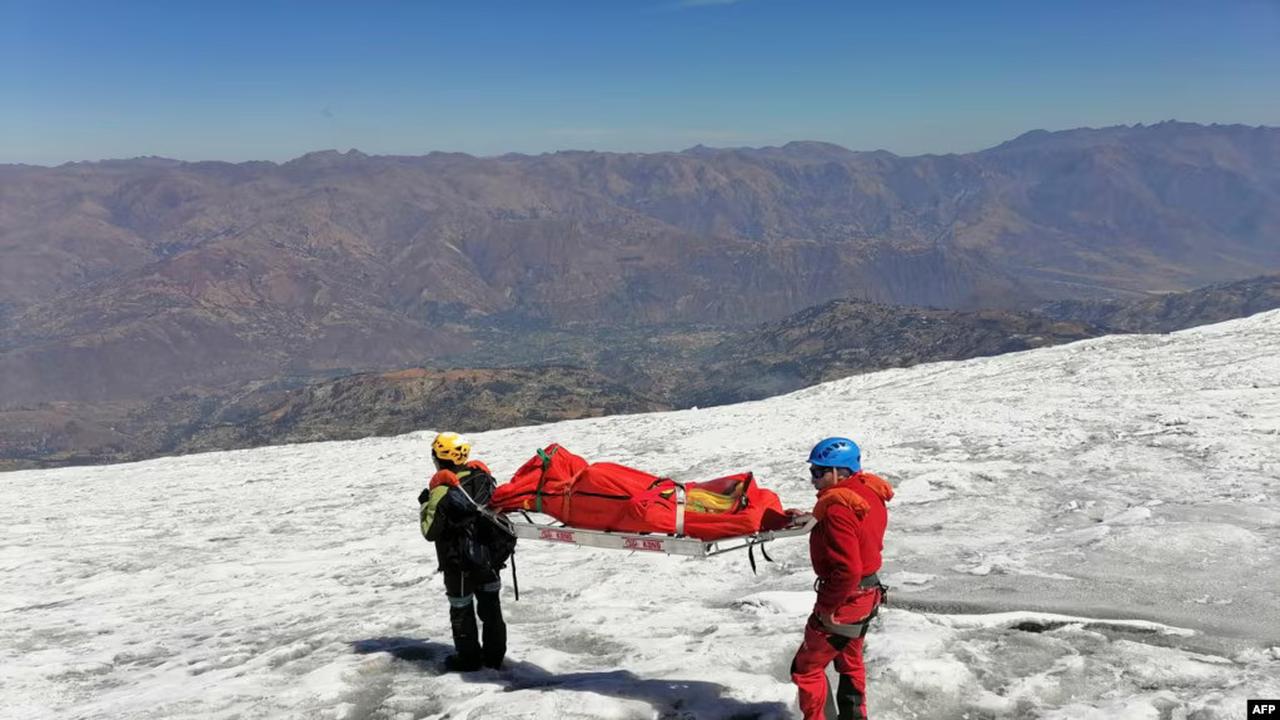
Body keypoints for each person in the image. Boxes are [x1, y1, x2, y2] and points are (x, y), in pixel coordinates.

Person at [790, 437, 895, 720]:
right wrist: (814, 518)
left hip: (846, 601)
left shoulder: (838, 508)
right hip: (868, 594)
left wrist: (826, 609)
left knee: (806, 669)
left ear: (840, 472)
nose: (813, 479)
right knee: (849, 662)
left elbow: (847, 570)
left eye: (818, 472)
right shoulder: (866, 491)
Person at [418, 431, 515, 672]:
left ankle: (469, 660)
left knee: (461, 609)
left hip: (458, 562)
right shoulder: (483, 477)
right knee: (491, 608)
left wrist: (424, 504)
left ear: (439, 457)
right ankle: (494, 658)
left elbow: (430, 531)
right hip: (489, 559)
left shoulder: (441, 489)